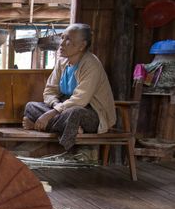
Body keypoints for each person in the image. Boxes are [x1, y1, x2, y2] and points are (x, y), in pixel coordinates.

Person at [22, 23, 116, 151]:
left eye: (68, 40)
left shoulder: (91, 64)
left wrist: (51, 114)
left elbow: (80, 100)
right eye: (62, 37)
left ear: (82, 46)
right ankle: (70, 128)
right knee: (31, 106)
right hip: (63, 109)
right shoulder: (62, 62)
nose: (61, 43)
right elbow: (50, 90)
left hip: (92, 113)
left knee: (74, 113)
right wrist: (55, 104)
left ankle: (63, 148)